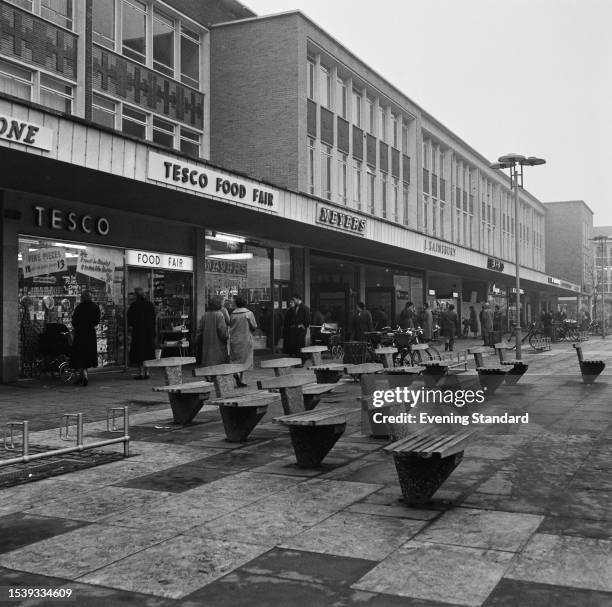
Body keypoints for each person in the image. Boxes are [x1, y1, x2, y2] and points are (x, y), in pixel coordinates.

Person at [70, 290, 100, 386]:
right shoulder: (95, 307)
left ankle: (84, 376)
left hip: (80, 333)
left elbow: (74, 320)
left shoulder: (79, 307)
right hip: (90, 333)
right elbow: (97, 320)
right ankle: (83, 376)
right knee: (88, 354)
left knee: (80, 354)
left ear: (82, 298)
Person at [127, 287, 156, 379]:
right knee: (147, 351)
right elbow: (153, 318)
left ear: (136, 295)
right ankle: (147, 372)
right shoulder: (150, 305)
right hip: (148, 332)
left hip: (138, 332)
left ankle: (140, 372)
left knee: (139, 353)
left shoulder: (134, 305)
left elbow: (130, 319)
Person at [229, 295, 257, 387]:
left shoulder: (233, 313)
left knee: (236, 358)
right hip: (245, 339)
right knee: (245, 359)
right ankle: (242, 378)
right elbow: (254, 326)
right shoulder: (248, 313)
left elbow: (230, 324)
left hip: (234, 339)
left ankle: (237, 373)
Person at [201, 296, 229, 366]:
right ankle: (215, 376)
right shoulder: (219, 315)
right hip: (218, 345)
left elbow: (200, 329)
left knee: (209, 362)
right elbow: (222, 331)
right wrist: (226, 336)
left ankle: (211, 376)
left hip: (207, 343)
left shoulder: (205, 315)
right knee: (218, 364)